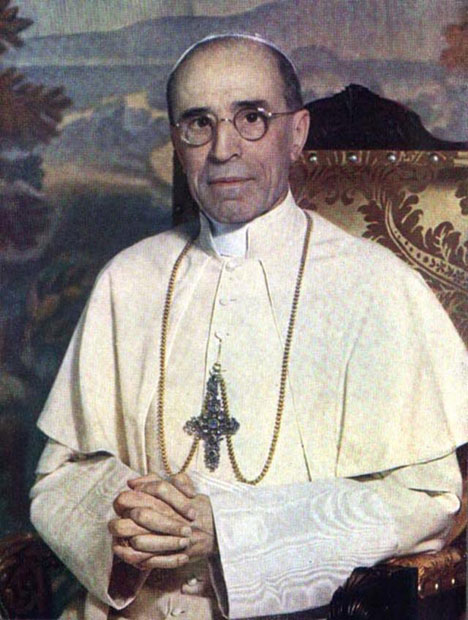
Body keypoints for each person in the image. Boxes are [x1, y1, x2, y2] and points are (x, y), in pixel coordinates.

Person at [30, 34, 468, 620]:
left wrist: (231, 532)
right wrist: (128, 520)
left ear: (297, 133)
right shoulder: (126, 280)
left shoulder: (378, 288)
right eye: (199, 123)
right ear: (176, 141)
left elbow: (427, 500)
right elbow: (62, 476)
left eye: (252, 118)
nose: (223, 149)